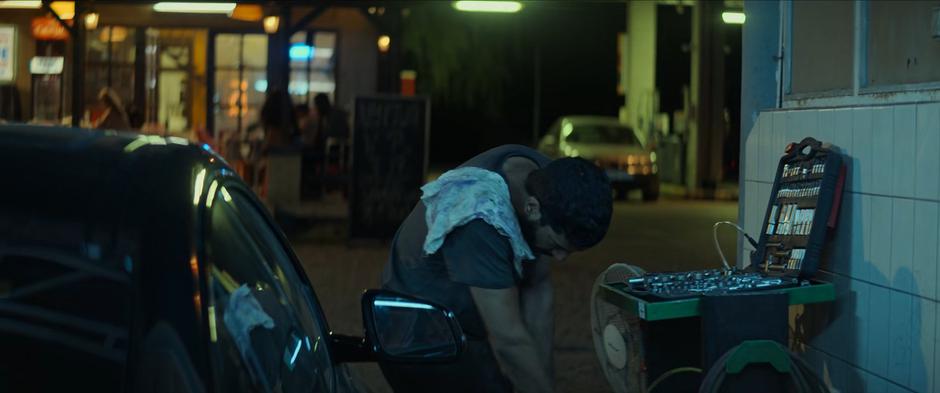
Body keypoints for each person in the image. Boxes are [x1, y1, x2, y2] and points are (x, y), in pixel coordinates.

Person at [380, 144, 613, 393]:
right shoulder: (481, 218)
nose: (561, 258)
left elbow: (538, 289)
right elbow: (509, 340)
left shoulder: (549, 179)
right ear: (533, 208)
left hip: (465, 319)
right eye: (557, 246)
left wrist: (545, 382)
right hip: (415, 334)